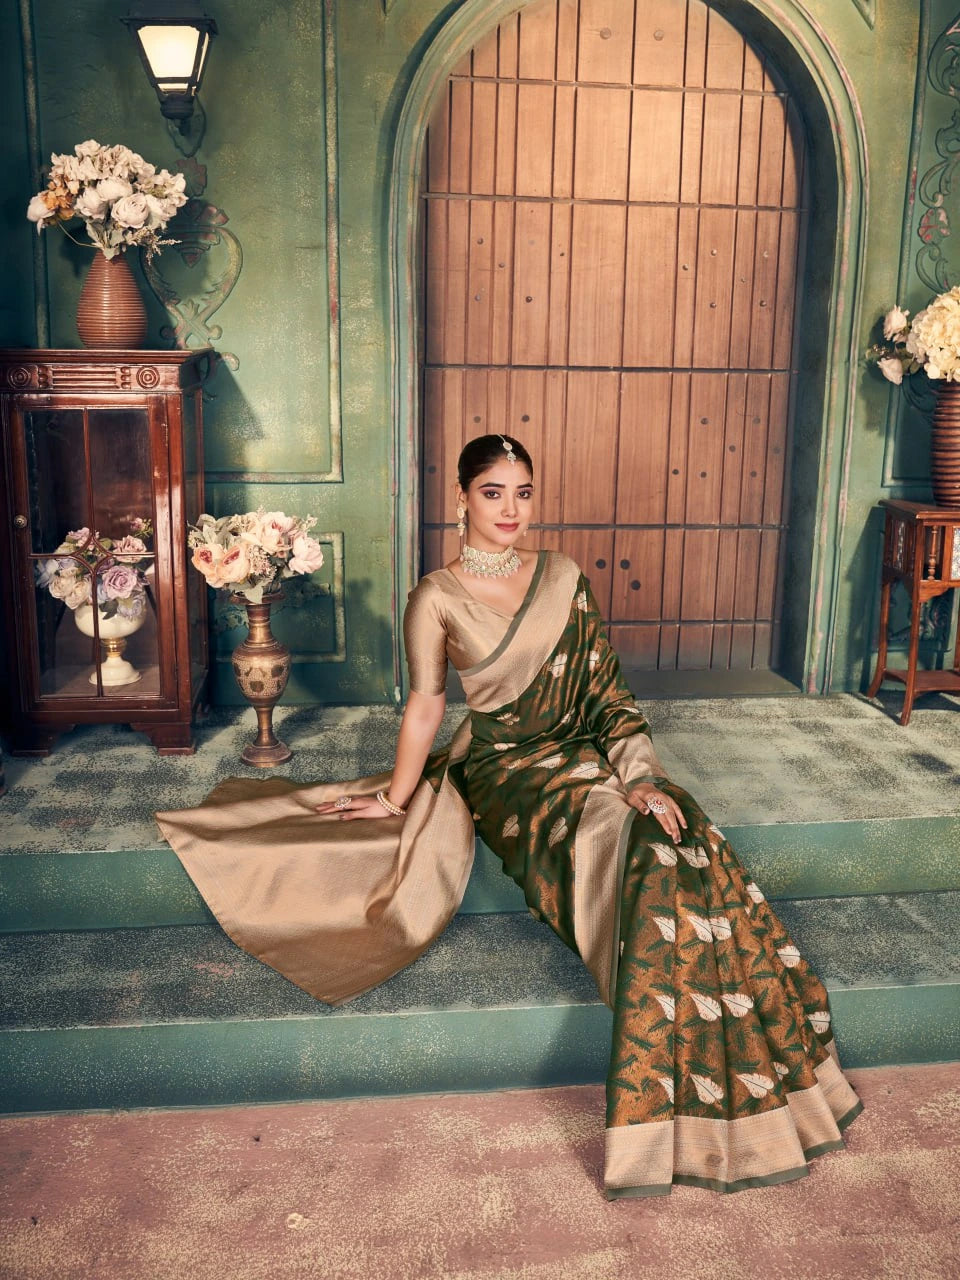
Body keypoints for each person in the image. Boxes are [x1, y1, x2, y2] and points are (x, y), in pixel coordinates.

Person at [156, 432, 863, 1198]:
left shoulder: (563, 578)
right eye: (494, 493)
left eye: (523, 492)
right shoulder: (436, 596)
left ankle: (769, 1094)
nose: (511, 510)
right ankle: (678, 1119)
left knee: (683, 839)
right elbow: (427, 709)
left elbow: (609, 699)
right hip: (510, 773)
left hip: (590, 759)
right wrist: (397, 796)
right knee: (648, 873)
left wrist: (641, 778)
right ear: (460, 498)